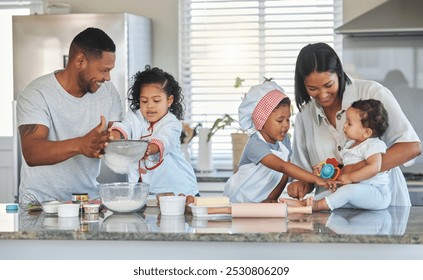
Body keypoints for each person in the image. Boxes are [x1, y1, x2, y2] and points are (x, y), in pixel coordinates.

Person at [287, 42, 421, 206]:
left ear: (339, 72)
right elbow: (305, 174)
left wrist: (355, 171)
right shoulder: (304, 116)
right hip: (333, 213)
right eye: (312, 88)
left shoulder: (372, 93)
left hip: (383, 208)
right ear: (302, 84)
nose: (322, 95)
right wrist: (302, 184)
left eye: (328, 85)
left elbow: (411, 147)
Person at [17, 27, 123, 204]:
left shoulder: (108, 92)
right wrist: (82, 144)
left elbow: (116, 136)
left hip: (88, 201)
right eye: (103, 70)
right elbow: (32, 153)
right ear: (80, 60)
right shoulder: (36, 93)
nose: (108, 78)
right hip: (40, 206)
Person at [223, 81, 336, 203]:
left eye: (288, 119)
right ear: (261, 120)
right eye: (280, 120)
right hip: (239, 200)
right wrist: (316, 179)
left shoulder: (284, 142)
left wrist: (272, 198)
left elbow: (284, 175)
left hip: (261, 201)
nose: (286, 125)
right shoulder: (255, 144)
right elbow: (282, 167)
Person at [281, 99, 391, 211]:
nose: (344, 126)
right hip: (359, 191)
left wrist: (350, 177)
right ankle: (304, 204)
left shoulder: (373, 144)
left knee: (347, 191)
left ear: (366, 132)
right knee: (331, 192)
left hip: (377, 192)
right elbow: (345, 169)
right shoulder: (350, 145)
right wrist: (326, 170)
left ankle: (317, 206)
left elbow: (375, 167)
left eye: (349, 123)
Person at [110, 66, 199, 196]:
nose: (149, 105)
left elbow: (164, 140)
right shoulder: (134, 116)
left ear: (169, 101)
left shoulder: (172, 123)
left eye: (156, 100)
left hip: (180, 192)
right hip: (147, 194)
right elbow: (124, 127)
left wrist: (146, 149)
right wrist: (112, 138)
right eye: (144, 101)